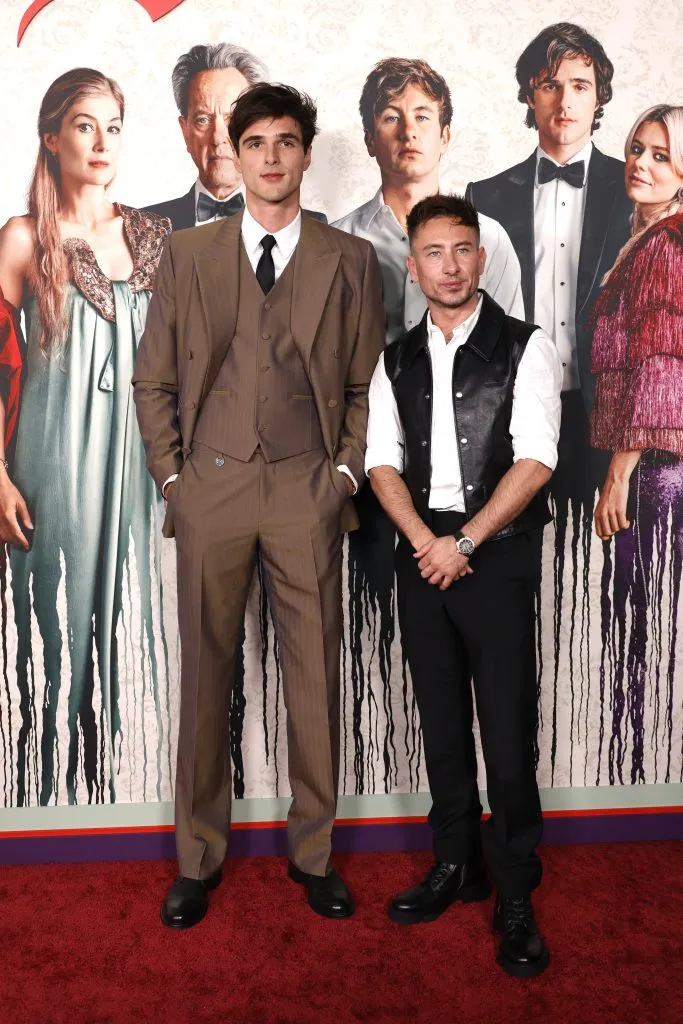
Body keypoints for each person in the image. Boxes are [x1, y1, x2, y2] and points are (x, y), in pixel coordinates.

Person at [133, 83, 385, 929]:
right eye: (257, 143)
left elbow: (362, 387)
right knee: (205, 675)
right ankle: (197, 859)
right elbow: (154, 379)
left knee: (314, 675)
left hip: (306, 487)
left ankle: (313, 855)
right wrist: (174, 481)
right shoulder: (189, 255)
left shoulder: (348, 260)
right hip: (211, 486)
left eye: (286, 141)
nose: (272, 156)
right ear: (232, 156)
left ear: (306, 154)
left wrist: (342, 478)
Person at [366, 194, 561, 977]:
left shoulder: (525, 346)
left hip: (496, 554)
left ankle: (515, 892)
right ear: (411, 267)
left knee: (507, 737)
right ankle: (457, 865)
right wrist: (425, 543)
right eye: (433, 253)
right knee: (441, 727)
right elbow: (381, 460)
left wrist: (466, 541)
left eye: (462, 250)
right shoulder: (396, 358)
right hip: (423, 559)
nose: (448, 265)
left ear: (480, 258)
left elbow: (537, 456)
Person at [0, 68, 172, 805]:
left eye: (114, 127)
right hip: (53, 455)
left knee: (138, 617)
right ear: (50, 136)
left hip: (140, 459)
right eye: (84, 125)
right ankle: (44, 794)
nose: (103, 143)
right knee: (57, 619)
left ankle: (131, 790)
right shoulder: (21, 238)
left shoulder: (157, 236)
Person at [466, 24, 632, 772]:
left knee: (604, 593)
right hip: (510, 426)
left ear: (597, 99)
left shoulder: (637, 192)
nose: (563, 99)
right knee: (510, 597)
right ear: (526, 95)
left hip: (603, 423)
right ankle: (514, 762)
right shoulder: (484, 195)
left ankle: (602, 758)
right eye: (548, 83)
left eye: (579, 85)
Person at [591, 105, 683, 781]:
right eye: (635, 149)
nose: (641, 164)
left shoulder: (664, 245)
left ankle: (640, 778)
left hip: (654, 472)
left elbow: (657, 365)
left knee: (642, 629)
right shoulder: (644, 238)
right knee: (641, 626)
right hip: (651, 466)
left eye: (659, 155)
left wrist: (618, 472)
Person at [335, 58, 524, 340]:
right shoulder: (337, 242)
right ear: (370, 140)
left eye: (422, 117)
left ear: (445, 137)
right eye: (391, 117)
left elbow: (511, 351)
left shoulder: (489, 238)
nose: (408, 131)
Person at [146, 42, 325, 229]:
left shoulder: (313, 228)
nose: (217, 137)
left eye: (232, 118)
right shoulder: (148, 226)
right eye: (203, 120)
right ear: (185, 131)